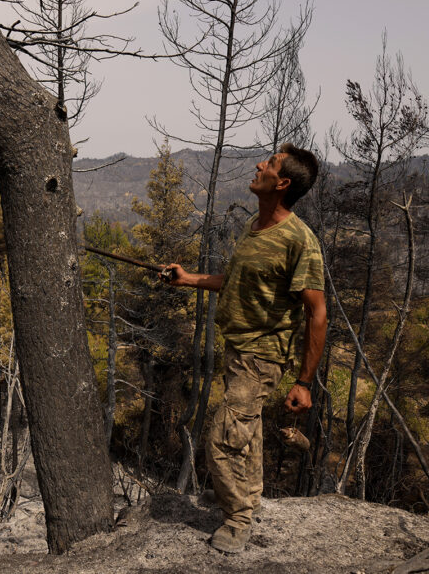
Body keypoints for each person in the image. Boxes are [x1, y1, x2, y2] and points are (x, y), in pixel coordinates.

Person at [162, 143, 327, 554]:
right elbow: (234, 281)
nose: (259, 165)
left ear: (282, 182)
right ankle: (248, 504)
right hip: (238, 351)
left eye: (269, 163)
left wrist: (305, 382)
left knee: (222, 439)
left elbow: (317, 312)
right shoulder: (256, 227)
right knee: (245, 432)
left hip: (263, 356)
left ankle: (236, 521)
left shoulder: (299, 240)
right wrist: (187, 279)